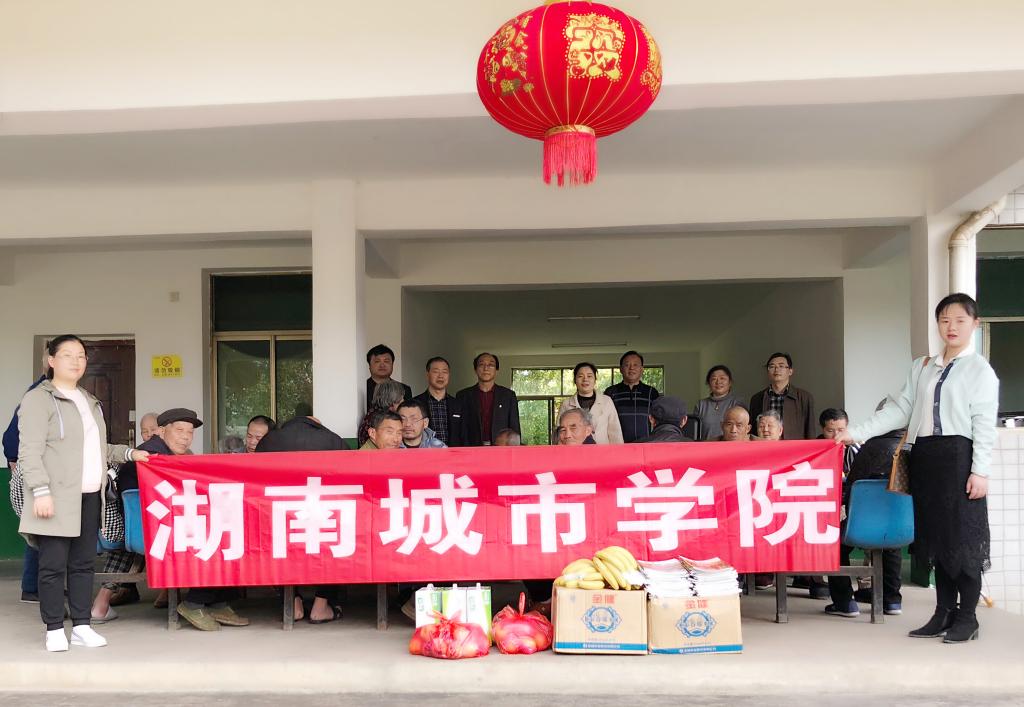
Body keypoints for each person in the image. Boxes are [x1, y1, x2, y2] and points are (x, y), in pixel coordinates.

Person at [836, 293, 998, 644]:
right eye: (944, 320)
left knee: (962, 541)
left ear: (974, 324)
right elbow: (899, 409)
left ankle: (967, 617)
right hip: (926, 457)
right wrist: (857, 432)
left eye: (960, 320)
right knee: (936, 541)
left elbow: (984, 424)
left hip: (959, 457)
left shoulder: (979, 370)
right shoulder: (923, 366)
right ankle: (942, 613)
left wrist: (980, 471)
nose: (951, 327)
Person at [17, 335, 149, 651]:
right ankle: (53, 629)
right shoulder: (38, 400)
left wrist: (130, 454)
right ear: (51, 360)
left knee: (83, 565)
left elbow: (97, 447)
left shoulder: (89, 400)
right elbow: (30, 451)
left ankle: (81, 626)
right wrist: (41, 491)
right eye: (67, 355)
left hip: (91, 495)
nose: (76, 361)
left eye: (81, 355)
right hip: (55, 495)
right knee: (53, 566)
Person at [93, 406, 203, 620]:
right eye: (180, 430)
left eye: (190, 432)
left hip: (132, 528)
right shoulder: (155, 456)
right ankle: (197, 600)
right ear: (161, 431)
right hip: (148, 530)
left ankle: (103, 603)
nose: (186, 437)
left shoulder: (154, 450)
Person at [255, 413, 348, 624]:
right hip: (321, 511)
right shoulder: (332, 439)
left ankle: (293, 603)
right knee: (333, 549)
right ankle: (321, 607)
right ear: (316, 425)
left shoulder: (270, 440)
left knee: (278, 551)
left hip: (279, 512)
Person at [825, 401, 905, 619]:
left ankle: (845, 603)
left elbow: (852, 486)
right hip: (902, 528)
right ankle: (892, 601)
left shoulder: (871, 448)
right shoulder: (912, 447)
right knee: (891, 543)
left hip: (862, 527)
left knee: (833, 541)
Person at [4, 359, 48, 605]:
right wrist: (14, 459)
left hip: (41, 471)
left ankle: (41, 586)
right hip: (34, 473)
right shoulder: (38, 394)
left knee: (43, 531)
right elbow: (11, 437)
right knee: (37, 529)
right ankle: (31, 587)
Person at [455, 353, 520, 446]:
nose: (486, 368)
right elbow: (461, 428)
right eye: (481, 364)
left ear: (496, 370)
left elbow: (514, 427)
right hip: (472, 448)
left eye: (491, 365)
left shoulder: (508, 396)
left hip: (500, 449)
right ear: (475, 370)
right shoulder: (463, 396)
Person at [749, 353, 815, 439]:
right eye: (772, 366)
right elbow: (753, 430)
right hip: (766, 446)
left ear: (790, 371)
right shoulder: (757, 398)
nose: (776, 370)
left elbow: (810, 430)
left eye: (781, 366)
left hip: (794, 446)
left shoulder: (804, 397)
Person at [558, 362, 623, 445]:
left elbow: (615, 431)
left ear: (595, 380)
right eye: (580, 376)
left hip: (602, 450)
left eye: (589, 376)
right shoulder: (566, 404)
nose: (585, 379)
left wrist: (618, 452)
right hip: (575, 451)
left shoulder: (607, 401)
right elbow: (559, 433)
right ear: (575, 380)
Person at [604, 351, 660, 443]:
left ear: (642, 369)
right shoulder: (610, 392)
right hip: (617, 445)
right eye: (627, 365)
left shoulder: (651, 392)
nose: (631, 368)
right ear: (621, 369)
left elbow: (659, 421)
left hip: (645, 445)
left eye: (635, 365)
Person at [413, 357, 464, 446]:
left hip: (453, 453)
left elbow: (464, 435)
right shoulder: (415, 403)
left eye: (444, 372)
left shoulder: (458, 404)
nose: (440, 376)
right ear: (427, 374)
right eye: (436, 371)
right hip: (425, 452)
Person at [694, 365, 744, 441]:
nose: (718, 382)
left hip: (730, 446)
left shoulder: (737, 403)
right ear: (709, 383)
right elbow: (695, 432)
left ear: (730, 382)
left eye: (722, 378)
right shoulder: (701, 405)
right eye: (714, 379)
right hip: (706, 446)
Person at [357, 380, 406, 447]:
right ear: (393, 401)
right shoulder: (382, 418)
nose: (403, 402)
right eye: (400, 400)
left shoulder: (372, 413)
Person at [365, 344, 413, 412]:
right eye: (377, 361)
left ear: (392, 364)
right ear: (369, 366)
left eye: (386, 361)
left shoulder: (404, 389)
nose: (382, 365)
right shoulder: (363, 388)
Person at [818, 408, 858, 474]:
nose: (836, 436)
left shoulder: (855, 448)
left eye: (841, 430)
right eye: (830, 431)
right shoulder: (814, 449)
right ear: (822, 429)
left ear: (846, 427)